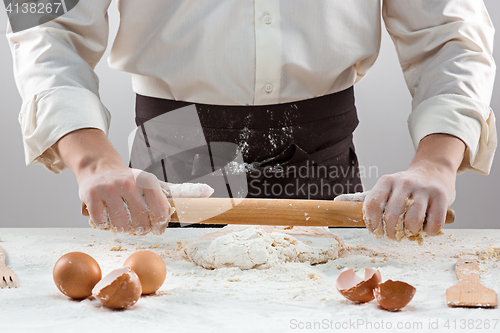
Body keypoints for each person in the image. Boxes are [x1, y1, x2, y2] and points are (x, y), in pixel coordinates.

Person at [7, 1, 496, 239]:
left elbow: (451, 34)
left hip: (324, 161)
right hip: (171, 164)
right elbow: (43, 26)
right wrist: (93, 161)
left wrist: (436, 162)